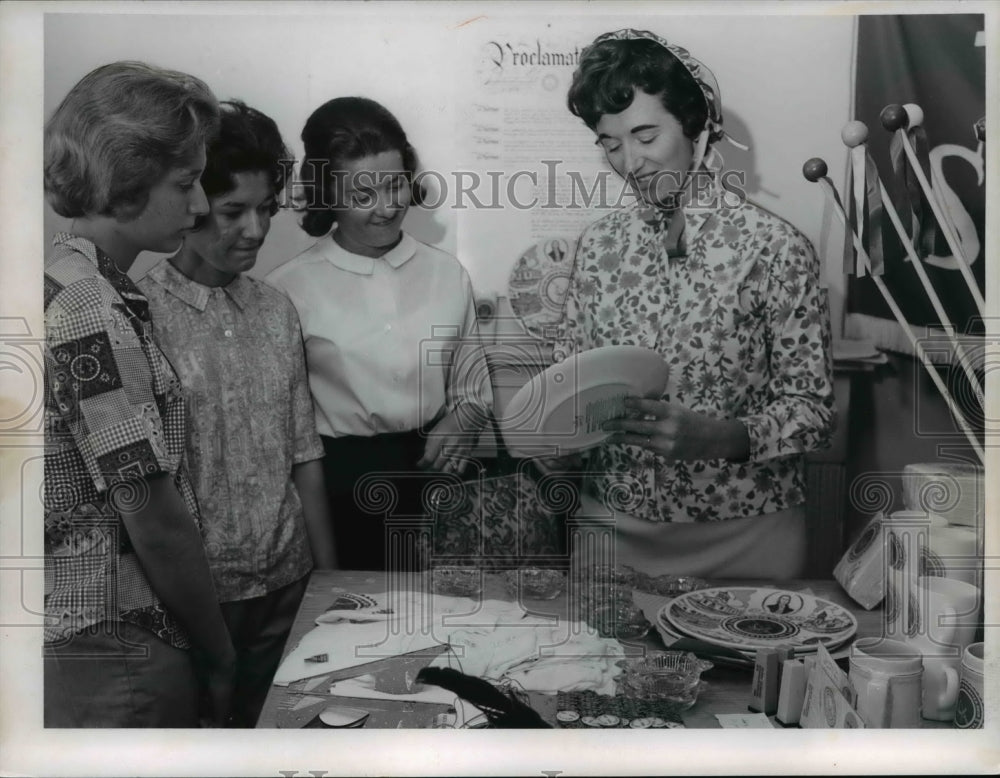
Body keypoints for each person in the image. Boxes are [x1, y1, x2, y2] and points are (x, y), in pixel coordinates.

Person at [555, 29, 836, 579]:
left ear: (697, 128)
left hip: (746, 528)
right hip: (613, 526)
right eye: (611, 143)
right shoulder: (597, 247)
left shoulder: (776, 248)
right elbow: (571, 381)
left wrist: (723, 436)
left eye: (644, 134)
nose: (628, 161)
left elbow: (814, 413)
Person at [43, 61, 235, 726]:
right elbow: (151, 516)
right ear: (125, 185)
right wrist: (219, 651)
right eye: (186, 183)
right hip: (117, 646)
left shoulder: (63, 284)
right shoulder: (89, 310)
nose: (202, 204)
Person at [137, 101, 335, 727]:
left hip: (288, 581)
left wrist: (327, 585)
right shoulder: (139, 316)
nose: (254, 229)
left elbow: (304, 454)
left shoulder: (277, 311)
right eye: (233, 211)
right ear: (192, 204)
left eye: (267, 210)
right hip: (194, 599)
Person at [267, 97, 490, 571]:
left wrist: (462, 420)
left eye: (395, 186)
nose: (387, 208)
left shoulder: (448, 274)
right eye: (362, 196)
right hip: (338, 491)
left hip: (437, 481)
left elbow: (473, 389)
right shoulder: (286, 289)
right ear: (328, 195)